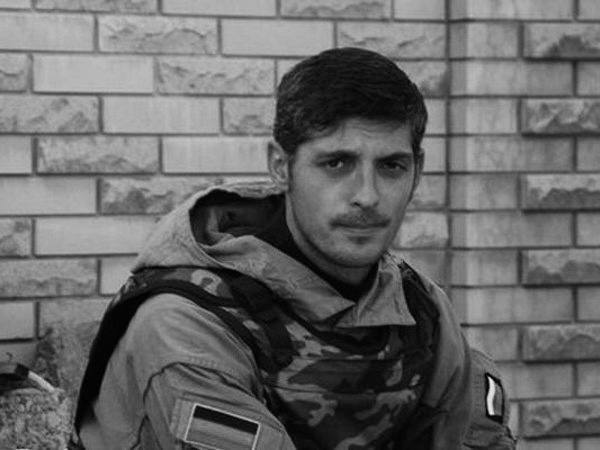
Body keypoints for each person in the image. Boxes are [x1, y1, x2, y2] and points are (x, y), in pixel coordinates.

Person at [71, 47, 516, 449]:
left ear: (417, 171)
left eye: (391, 166)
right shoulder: (188, 322)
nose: (367, 195)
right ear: (281, 167)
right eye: (336, 163)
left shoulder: (422, 310)